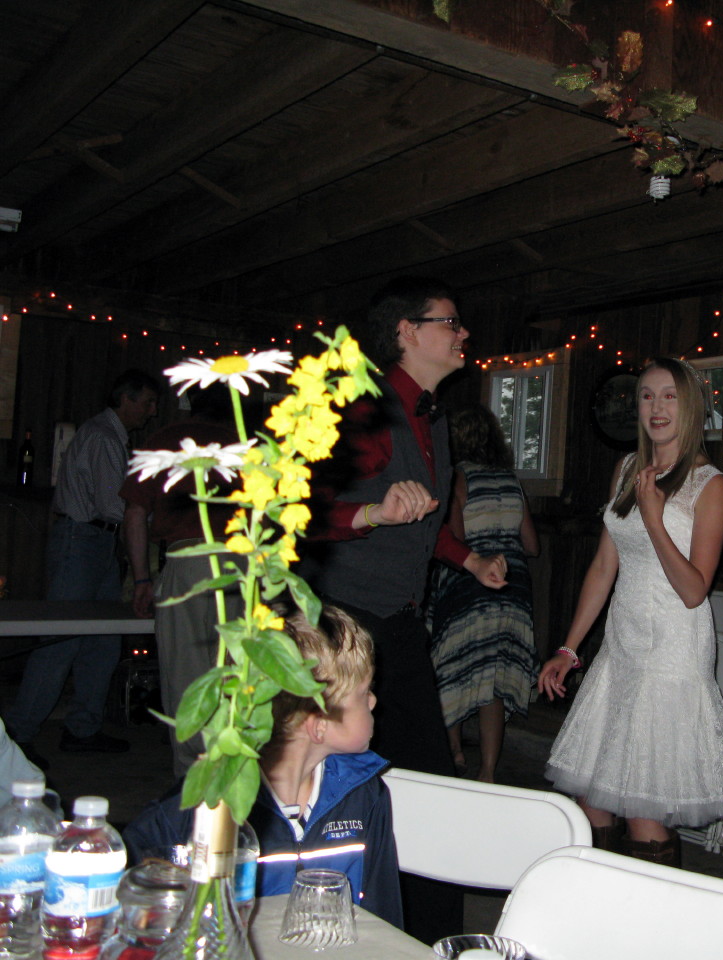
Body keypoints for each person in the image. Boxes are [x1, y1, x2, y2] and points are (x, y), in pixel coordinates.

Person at [303, 276, 505, 942]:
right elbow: (307, 513)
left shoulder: (434, 418)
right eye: (450, 322)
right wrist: (373, 512)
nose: (463, 333)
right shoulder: (367, 408)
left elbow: (423, 520)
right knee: (350, 773)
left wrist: (467, 560)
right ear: (407, 333)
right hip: (346, 622)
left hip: (395, 622)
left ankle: (423, 933)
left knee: (417, 778)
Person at [538, 357, 723, 866]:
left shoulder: (710, 485)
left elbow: (694, 591)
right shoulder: (627, 470)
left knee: (642, 806)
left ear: (691, 406)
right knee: (592, 797)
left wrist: (655, 518)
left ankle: (655, 908)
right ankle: (601, 902)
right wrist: (569, 648)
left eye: (669, 396)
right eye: (647, 396)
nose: (657, 407)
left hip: (671, 653)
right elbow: (603, 567)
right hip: (621, 647)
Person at [124, 605, 402, 926]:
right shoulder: (213, 802)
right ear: (319, 722)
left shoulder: (365, 794)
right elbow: (131, 876)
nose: (373, 701)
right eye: (363, 693)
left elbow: (385, 923)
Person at [7, 369, 160, 767]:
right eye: (147, 402)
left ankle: (82, 728)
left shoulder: (110, 436)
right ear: (125, 399)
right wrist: (154, 522)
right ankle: (18, 736)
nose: (152, 411)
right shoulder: (104, 437)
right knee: (61, 638)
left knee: (103, 638)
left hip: (98, 541)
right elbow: (113, 505)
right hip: (83, 540)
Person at [120, 386, 242, 778]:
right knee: (235, 677)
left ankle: (194, 786)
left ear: (190, 404)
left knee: (186, 680)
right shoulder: (246, 445)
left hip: (189, 562)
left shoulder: (164, 441)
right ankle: (231, 780)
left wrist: (142, 578)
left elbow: (135, 513)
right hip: (242, 563)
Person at [429, 403, 539, 783]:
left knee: (451, 668)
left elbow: (456, 540)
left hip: (470, 589)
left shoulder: (458, 478)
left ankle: (455, 752)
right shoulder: (511, 480)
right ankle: (488, 771)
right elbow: (532, 545)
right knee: (494, 678)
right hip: (513, 592)